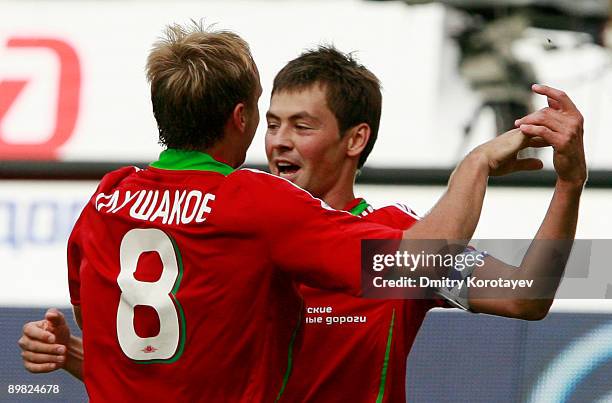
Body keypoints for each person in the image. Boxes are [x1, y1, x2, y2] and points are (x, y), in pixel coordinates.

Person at [18, 25, 574, 401]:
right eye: (273, 123)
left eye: (302, 127)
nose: (280, 143)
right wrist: (79, 355)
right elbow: (170, 366)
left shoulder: (401, 234)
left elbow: (528, 293)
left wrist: (571, 182)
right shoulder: (229, 226)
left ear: (356, 139)